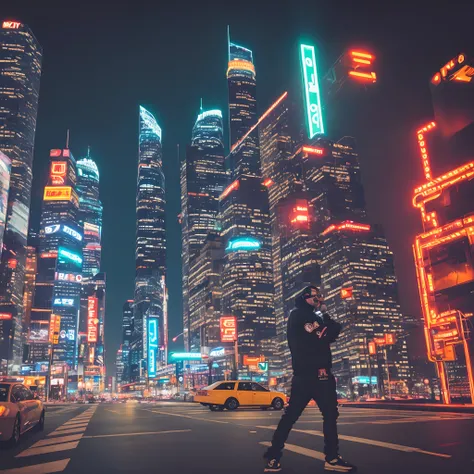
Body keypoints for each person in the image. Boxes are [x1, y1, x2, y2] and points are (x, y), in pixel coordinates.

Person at [263, 285, 357, 472]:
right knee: (293, 416)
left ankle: (331, 457)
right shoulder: (300, 315)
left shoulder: (311, 316)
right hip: (308, 375)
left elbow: (328, 335)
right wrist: (327, 317)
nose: (319, 299)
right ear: (306, 297)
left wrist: (325, 320)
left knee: (329, 415)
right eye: (316, 297)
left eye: (320, 296)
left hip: (318, 374)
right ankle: (274, 456)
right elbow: (328, 334)